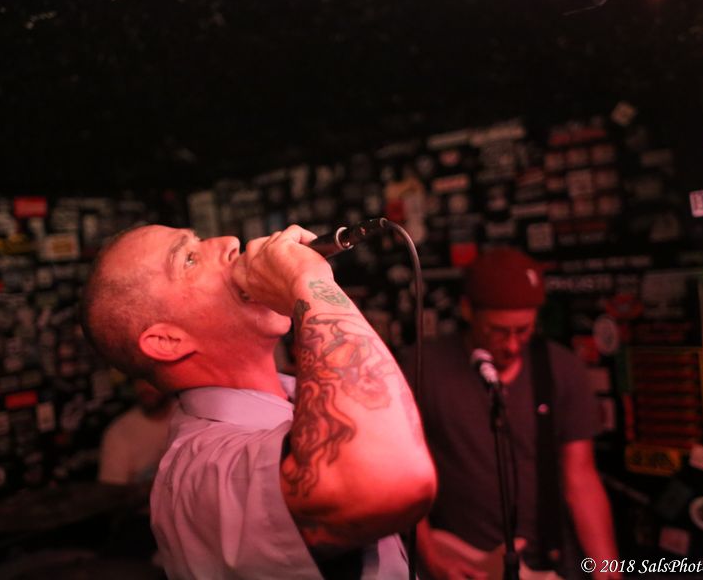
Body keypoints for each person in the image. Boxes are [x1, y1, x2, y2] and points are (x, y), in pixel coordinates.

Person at [80, 223, 436, 579]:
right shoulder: (203, 472)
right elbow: (392, 480)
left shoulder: (299, 393)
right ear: (168, 341)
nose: (230, 242)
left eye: (200, 240)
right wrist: (309, 282)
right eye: (188, 258)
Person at [405, 247, 620, 580]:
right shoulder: (422, 367)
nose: (512, 345)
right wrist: (431, 557)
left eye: (523, 330)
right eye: (498, 330)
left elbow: (581, 478)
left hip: (547, 560)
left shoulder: (560, 368)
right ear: (467, 310)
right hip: (459, 559)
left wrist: (607, 568)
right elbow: (404, 475)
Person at [98, 378, 178, 486]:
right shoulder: (118, 432)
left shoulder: (189, 415)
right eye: (140, 380)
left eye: (150, 378)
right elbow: (113, 491)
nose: (146, 388)